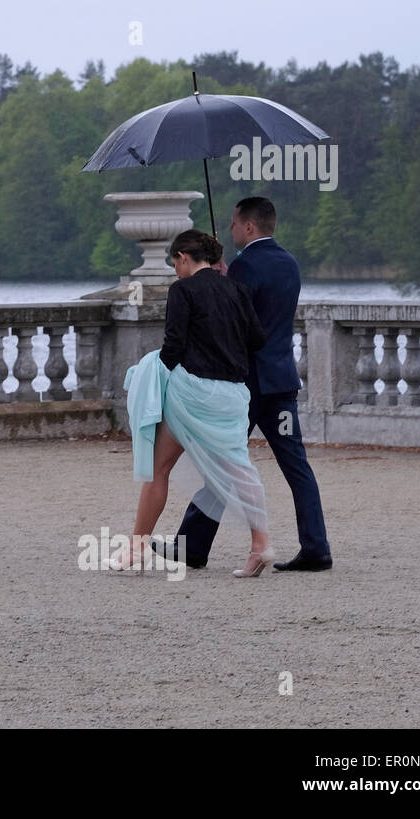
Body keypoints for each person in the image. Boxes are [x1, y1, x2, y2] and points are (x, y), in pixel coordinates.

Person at [157, 198, 333, 571]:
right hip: (282, 382)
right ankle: (316, 546)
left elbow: (230, 321)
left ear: (249, 227)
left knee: (222, 463)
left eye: (235, 224)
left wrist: (218, 279)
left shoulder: (244, 267)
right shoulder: (289, 263)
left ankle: (191, 546)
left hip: (245, 384)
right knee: (296, 466)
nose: (232, 230)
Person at [111, 229, 275, 577]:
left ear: (184, 257)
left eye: (175, 263)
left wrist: (148, 373)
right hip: (232, 397)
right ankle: (261, 545)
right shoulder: (236, 289)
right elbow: (257, 339)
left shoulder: (182, 290)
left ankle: (137, 547)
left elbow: (172, 348)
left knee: (159, 469)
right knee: (241, 470)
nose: (175, 270)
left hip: (193, 394)